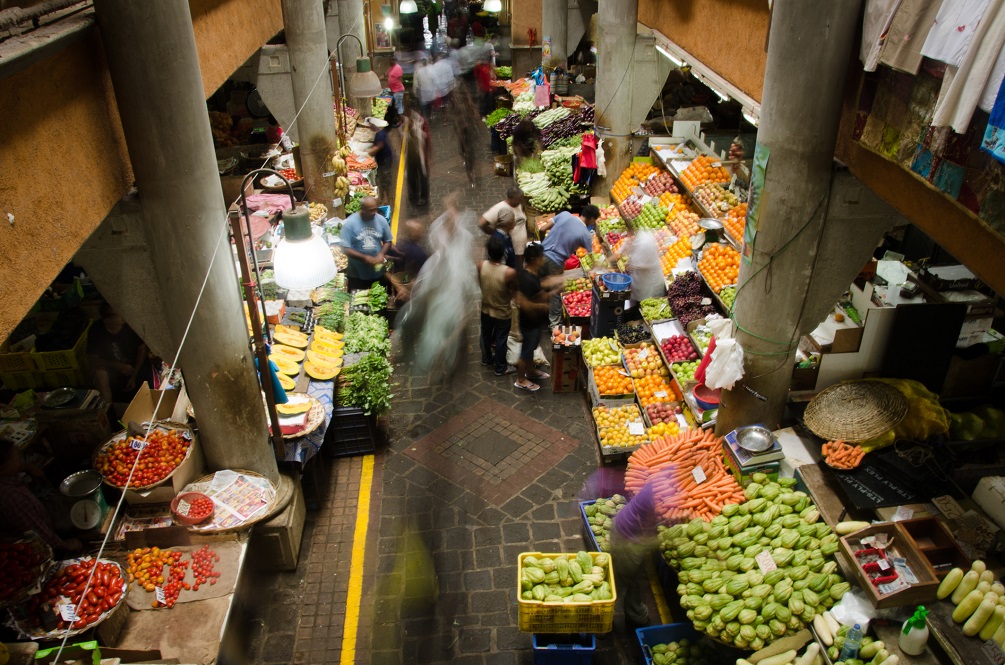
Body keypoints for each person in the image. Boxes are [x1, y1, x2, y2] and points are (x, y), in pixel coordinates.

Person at [610, 469, 676, 627]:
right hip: (628, 539)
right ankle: (600, 619)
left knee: (637, 579)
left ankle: (636, 615)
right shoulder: (663, 495)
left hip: (630, 533)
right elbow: (657, 525)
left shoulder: (670, 474)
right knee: (619, 582)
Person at [0, 440, 82, 553]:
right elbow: (34, 532)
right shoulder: (12, 497)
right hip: (35, 549)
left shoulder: (8, 477)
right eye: (16, 457)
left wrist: (26, 467)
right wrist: (64, 545)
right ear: (4, 466)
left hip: (45, 523)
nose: (20, 457)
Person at [541, 205, 601, 327]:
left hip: (540, 255)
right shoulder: (585, 234)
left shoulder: (564, 214)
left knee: (539, 284)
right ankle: (554, 325)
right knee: (554, 293)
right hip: (556, 262)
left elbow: (542, 229)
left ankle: (536, 318)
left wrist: (543, 244)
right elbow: (591, 257)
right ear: (591, 219)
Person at [87, 302, 150, 404]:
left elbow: (142, 349)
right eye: (111, 326)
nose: (114, 329)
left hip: (134, 366)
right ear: (105, 321)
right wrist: (117, 365)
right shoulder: (96, 330)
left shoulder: (131, 325)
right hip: (112, 369)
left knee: (144, 390)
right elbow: (92, 359)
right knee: (100, 374)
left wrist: (134, 375)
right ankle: (109, 410)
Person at [514, 243, 556, 392]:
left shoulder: (533, 274)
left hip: (535, 322)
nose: (543, 259)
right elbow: (524, 304)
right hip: (528, 323)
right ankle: (520, 379)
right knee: (526, 351)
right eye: (541, 257)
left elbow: (539, 294)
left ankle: (530, 371)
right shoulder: (526, 279)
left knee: (531, 347)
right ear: (533, 259)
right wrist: (542, 306)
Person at [478, 235, 517, 377]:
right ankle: (500, 368)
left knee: (486, 334)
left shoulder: (481, 265)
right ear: (503, 253)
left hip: (485, 308)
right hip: (502, 311)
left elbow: (480, 282)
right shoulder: (508, 272)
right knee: (501, 338)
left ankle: (486, 358)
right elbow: (513, 290)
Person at [339, 196, 393, 291]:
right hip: (357, 274)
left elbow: (388, 241)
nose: (374, 213)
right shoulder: (349, 224)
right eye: (370, 210)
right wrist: (364, 258)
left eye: (375, 209)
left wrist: (381, 254)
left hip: (378, 272)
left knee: (380, 299)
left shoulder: (381, 220)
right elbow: (344, 248)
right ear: (362, 209)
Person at [479, 188, 528, 268]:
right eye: (518, 199)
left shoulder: (519, 204)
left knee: (519, 269)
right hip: (510, 249)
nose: (521, 201)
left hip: (520, 249)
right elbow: (482, 223)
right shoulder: (499, 208)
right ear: (510, 198)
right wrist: (495, 233)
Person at [404, 110, 432, 208]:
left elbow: (426, 140)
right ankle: (413, 195)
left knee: (423, 177)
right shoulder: (405, 124)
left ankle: (423, 197)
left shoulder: (420, 123)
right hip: (410, 157)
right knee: (411, 177)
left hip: (420, 157)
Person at [368, 118, 395, 207]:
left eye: (371, 125)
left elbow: (378, 147)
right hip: (384, 160)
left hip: (385, 161)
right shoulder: (381, 132)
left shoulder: (380, 135)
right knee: (383, 180)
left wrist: (369, 152)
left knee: (385, 181)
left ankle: (388, 201)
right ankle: (384, 199)